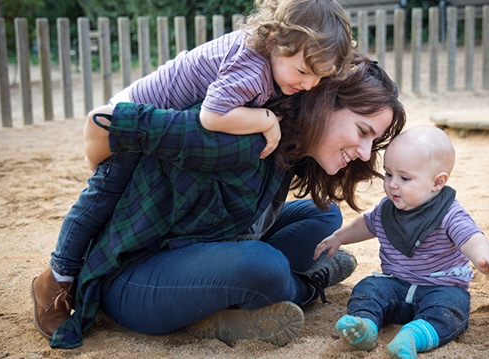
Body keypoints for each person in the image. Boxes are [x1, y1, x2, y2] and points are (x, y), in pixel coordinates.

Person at [31, 0, 353, 342]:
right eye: (304, 72)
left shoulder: (279, 74)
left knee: (323, 216)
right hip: (131, 129)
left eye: (320, 77)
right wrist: (265, 121)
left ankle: (216, 297)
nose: (309, 85)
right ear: (275, 43)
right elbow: (211, 117)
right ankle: (58, 277)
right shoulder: (251, 72)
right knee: (97, 204)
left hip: (163, 147)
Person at [313, 125, 489, 359]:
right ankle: (364, 327)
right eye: (388, 174)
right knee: (368, 289)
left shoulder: (448, 213)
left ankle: (413, 337)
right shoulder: (388, 208)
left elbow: (471, 236)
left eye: (404, 178)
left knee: (451, 309)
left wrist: (482, 258)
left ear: (437, 182)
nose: (393, 184)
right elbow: (365, 225)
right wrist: (339, 237)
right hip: (395, 284)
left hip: (440, 288)